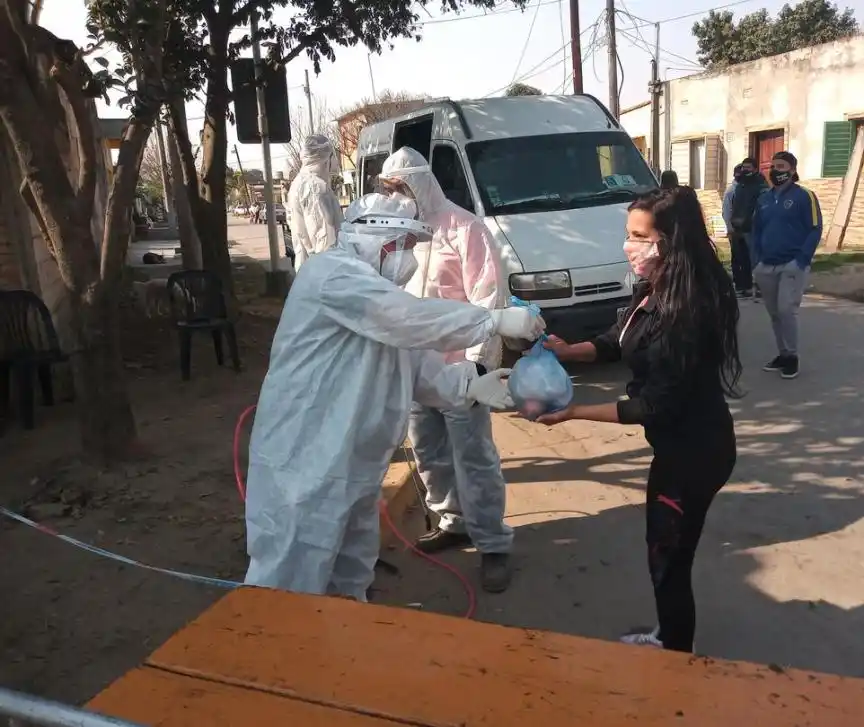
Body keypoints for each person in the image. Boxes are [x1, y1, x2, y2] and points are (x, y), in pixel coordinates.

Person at [243, 193, 546, 601]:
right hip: (305, 461)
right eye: (403, 246)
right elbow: (409, 319)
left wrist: (468, 385)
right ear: (377, 240)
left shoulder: (377, 296)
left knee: (351, 573)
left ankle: (345, 645)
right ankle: (276, 660)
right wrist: (491, 320)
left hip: (355, 462)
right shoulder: (331, 275)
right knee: (290, 580)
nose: (409, 259)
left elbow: (417, 365)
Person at [539, 186, 740, 653]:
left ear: (668, 239)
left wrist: (573, 412)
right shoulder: (662, 284)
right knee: (667, 554)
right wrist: (572, 350)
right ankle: (672, 639)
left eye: (637, 235)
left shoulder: (688, 309)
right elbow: (620, 336)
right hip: (682, 447)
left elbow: (653, 405)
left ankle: (675, 654)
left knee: (668, 561)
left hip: (693, 455)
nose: (628, 245)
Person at [377, 147, 515, 593]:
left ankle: (493, 542)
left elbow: (487, 297)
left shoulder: (464, 229)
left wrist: (477, 367)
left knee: (474, 457)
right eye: (388, 189)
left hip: (459, 369)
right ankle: (452, 521)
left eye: (401, 188)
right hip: (415, 368)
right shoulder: (399, 234)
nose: (396, 197)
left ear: (421, 184)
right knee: (429, 453)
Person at [751, 151, 822, 380]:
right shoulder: (764, 198)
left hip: (791, 264)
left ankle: (792, 356)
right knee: (774, 313)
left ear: (792, 170)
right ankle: (782, 353)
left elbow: (814, 228)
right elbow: (756, 230)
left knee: (786, 310)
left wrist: (802, 260)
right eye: (773, 166)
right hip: (767, 266)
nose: (775, 170)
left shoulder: (805, 196)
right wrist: (757, 261)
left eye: (781, 166)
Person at [286, 134, 343, 272]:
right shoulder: (316, 188)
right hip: (323, 275)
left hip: (309, 271)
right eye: (332, 155)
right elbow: (323, 239)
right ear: (325, 159)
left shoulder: (299, 183)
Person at [726, 158, 769, 299]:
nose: (745, 170)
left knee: (755, 260)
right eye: (744, 167)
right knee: (741, 259)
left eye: (749, 167)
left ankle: (761, 288)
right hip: (739, 227)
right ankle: (745, 287)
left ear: (755, 169)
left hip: (753, 228)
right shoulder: (740, 185)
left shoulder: (761, 185)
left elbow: (762, 206)